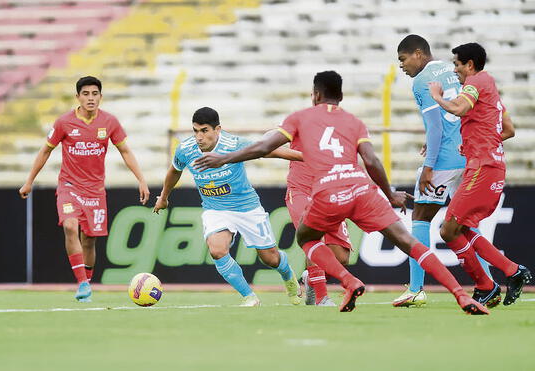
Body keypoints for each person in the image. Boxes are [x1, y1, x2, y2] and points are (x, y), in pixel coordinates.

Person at [195, 71, 488, 314]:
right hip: (362, 188)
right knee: (407, 241)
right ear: (342, 97)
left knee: (307, 238)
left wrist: (222, 158)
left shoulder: (300, 118)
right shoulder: (354, 121)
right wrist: (389, 194)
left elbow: (262, 147)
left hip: (328, 191)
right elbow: (371, 161)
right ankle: (461, 295)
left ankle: (348, 282)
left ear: (315, 94)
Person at [153, 107, 302, 307]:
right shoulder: (185, 149)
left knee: (271, 258)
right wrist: (163, 197)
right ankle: (249, 296)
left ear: (218, 129)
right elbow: (174, 171)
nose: (199, 137)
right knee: (216, 250)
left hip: (247, 207)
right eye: (195, 131)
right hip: (215, 209)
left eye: (204, 130)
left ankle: (290, 279)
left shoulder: (235, 144)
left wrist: (305, 157)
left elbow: (270, 150)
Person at [19, 76, 150, 302]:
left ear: (100, 96)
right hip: (69, 186)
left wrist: (141, 179)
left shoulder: (109, 122)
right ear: (77, 97)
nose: (90, 98)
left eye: (95, 94)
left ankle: (86, 284)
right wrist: (29, 180)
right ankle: (81, 283)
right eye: (86, 94)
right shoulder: (64, 122)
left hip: (95, 191)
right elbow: (45, 151)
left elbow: (125, 151)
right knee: (70, 226)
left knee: (89, 239)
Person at [394, 34, 497, 307]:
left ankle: (416, 288)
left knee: (421, 216)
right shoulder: (453, 71)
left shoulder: (421, 81)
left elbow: (438, 126)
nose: (402, 67)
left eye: (403, 60)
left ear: (418, 53)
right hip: (468, 156)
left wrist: (429, 166)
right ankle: (489, 285)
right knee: (465, 221)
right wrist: (430, 142)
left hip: (444, 160)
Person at [428, 42, 531, 306]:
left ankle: (486, 285)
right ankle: (512, 271)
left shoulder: (476, 81)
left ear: (469, 65)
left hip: (482, 169)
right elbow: (508, 129)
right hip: (492, 166)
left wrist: (438, 97)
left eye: (457, 64)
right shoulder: (491, 90)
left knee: (448, 231)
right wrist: (475, 141)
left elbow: (460, 108)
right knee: (458, 227)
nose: (455, 69)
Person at [280, 124, 353, 307]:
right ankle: (322, 297)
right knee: (315, 237)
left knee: (342, 257)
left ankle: (312, 278)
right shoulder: (299, 123)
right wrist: (304, 156)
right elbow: (269, 144)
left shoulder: (341, 128)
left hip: (328, 191)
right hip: (300, 191)